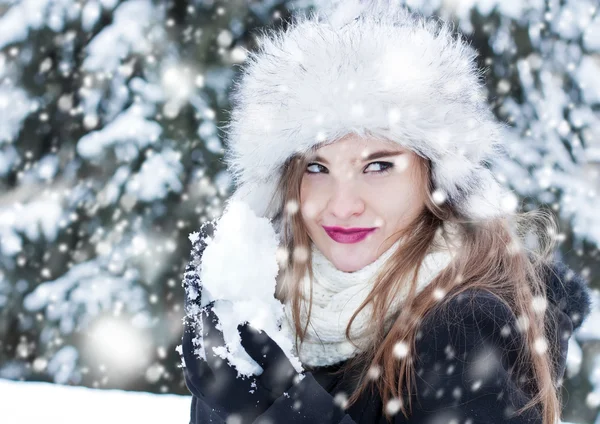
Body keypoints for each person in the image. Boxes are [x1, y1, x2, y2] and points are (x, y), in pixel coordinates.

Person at [180, 1, 592, 423]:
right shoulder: (269, 305)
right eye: (317, 167)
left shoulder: (464, 324)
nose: (342, 204)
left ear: (434, 175)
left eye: (378, 166)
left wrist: (278, 405)